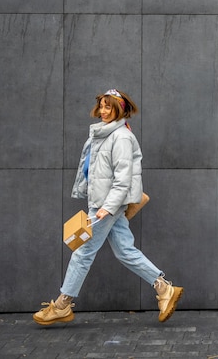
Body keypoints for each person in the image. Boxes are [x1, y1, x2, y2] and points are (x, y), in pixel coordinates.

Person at [33, 89, 183, 325]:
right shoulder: (103, 134)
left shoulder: (121, 137)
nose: (103, 111)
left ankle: (62, 304)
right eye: (102, 106)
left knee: (82, 253)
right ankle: (164, 288)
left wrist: (108, 207)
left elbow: (123, 179)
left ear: (119, 109)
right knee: (125, 251)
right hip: (102, 203)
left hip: (106, 205)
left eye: (108, 107)